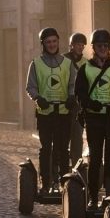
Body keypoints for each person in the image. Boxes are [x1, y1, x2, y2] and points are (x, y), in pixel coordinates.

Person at [74, 28, 110, 212]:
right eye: (99, 46)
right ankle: (92, 197)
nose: (103, 48)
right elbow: (79, 93)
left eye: (106, 45)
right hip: (94, 118)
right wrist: (90, 103)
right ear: (94, 48)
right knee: (95, 158)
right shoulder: (85, 69)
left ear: (109, 47)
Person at [25, 27, 75, 196]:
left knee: (62, 149)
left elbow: (72, 84)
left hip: (62, 112)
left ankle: (63, 183)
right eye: (48, 42)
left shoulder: (68, 63)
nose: (52, 44)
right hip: (45, 113)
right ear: (43, 44)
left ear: (58, 42)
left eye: (54, 41)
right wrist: (38, 98)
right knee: (46, 148)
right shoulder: (36, 63)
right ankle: (45, 183)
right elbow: (30, 86)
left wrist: (71, 97)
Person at [64, 32, 88, 168]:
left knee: (77, 137)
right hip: (64, 103)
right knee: (62, 136)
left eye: (82, 45)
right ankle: (61, 165)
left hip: (78, 105)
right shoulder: (62, 60)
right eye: (77, 44)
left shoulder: (86, 63)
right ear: (71, 45)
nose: (80, 47)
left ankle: (76, 165)